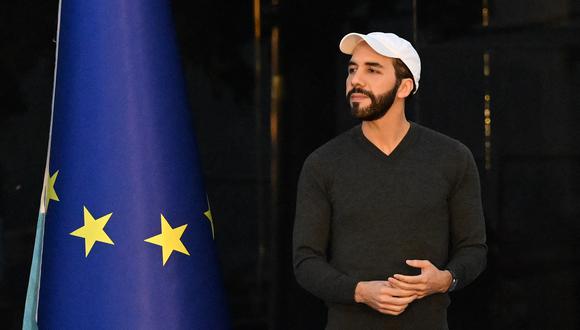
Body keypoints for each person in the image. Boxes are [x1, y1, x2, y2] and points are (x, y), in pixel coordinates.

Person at [292, 32, 487, 329]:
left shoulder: (452, 157)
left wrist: (444, 280)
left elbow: (474, 250)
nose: (356, 80)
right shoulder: (323, 163)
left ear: (404, 86)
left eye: (372, 69)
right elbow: (305, 261)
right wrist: (359, 292)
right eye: (352, 69)